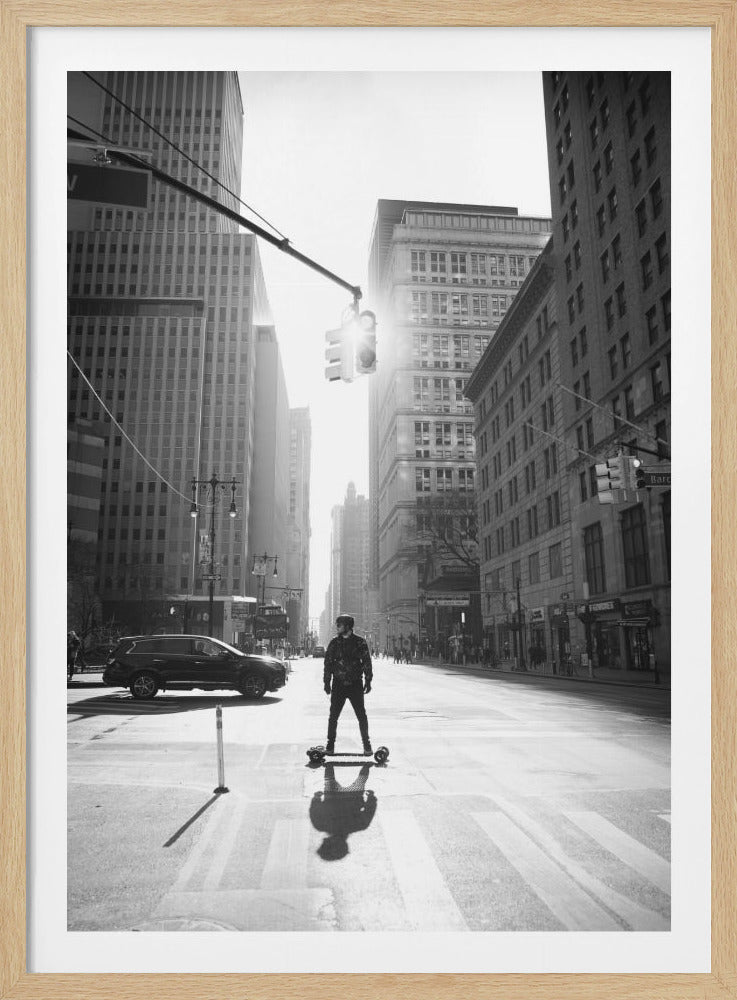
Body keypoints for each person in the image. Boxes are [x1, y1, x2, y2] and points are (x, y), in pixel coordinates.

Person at [323, 613, 373, 755]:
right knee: (333, 716)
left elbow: (366, 662)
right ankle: (330, 745)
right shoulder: (334, 642)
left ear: (347, 626)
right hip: (338, 684)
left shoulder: (360, 642)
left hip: (355, 684)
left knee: (361, 715)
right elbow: (328, 663)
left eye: (339, 625)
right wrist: (327, 682)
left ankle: (367, 745)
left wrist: (368, 680)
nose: (337, 627)